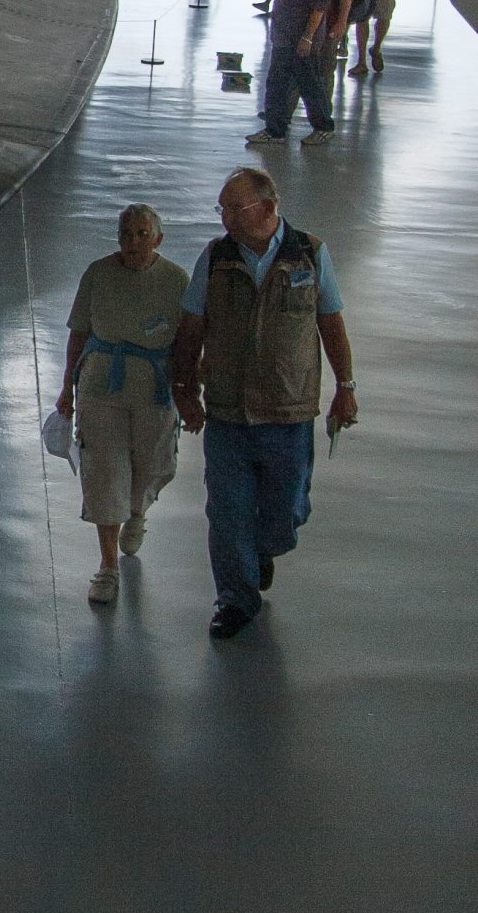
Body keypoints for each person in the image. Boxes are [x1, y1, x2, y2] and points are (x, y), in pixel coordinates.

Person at [172, 167, 357, 640]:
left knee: (286, 511)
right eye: (222, 209)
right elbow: (192, 326)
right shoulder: (215, 259)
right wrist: (184, 390)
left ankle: (263, 548)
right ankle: (235, 598)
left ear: (269, 208)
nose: (226, 219)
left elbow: (330, 322)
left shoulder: (310, 254)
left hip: (288, 413)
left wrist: (346, 386)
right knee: (227, 513)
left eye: (235, 209)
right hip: (228, 413)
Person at [56, 204, 188, 606]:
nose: (133, 242)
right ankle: (108, 565)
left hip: (154, 387)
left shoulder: (176, 280)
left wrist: (190, 388)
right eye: (126, 234)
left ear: (158, 239)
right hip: (101, 383)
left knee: (151, 462)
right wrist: (67, 388)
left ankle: (137, 511)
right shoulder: (98, 274)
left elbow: (190, 340)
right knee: (104, 468)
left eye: (142, 234)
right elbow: (78, 332)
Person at [247, 0, 334, 149]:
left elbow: (319, 7)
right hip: (283, 37)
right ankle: (275, 130)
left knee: (310, 85)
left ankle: (323, 127)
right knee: (276, 83)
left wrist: (308, 37)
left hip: (300, 39)